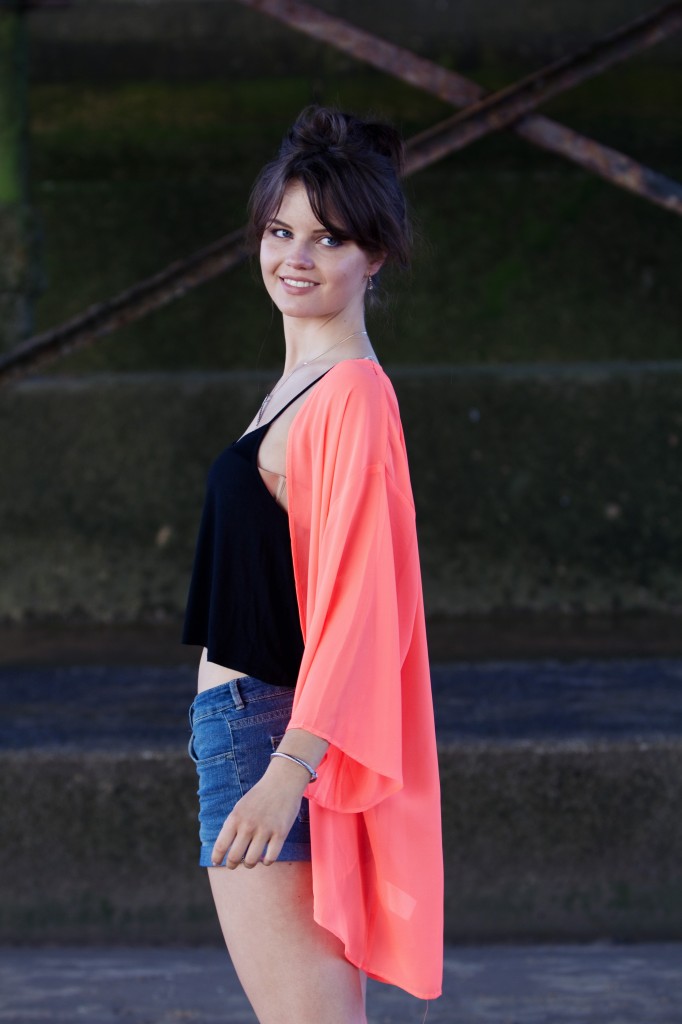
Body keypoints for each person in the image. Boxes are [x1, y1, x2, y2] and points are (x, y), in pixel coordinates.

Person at [183, 105, 443, 1024]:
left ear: (376, 257)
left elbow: (365, 610)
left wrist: (286, 772)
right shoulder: (301, 386)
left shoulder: (351, 398)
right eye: (280, 231)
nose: (295, 256)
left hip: (273, 737)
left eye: (329, 239)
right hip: (244, 728)